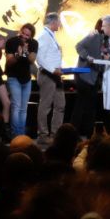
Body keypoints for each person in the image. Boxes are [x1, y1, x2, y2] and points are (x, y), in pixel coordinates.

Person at [72, 19, 106, 138]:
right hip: (84, 76)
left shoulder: (105, 40)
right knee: (81, 105)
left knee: (91, 107)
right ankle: (74, 134)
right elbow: (78, 46)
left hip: (94, 77)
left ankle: (89, 134)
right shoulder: (94, 35)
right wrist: (88, 57)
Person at [35, 14, 66, 143]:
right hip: (48, 75)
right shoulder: (43, 36)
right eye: (59, 21)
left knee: (60, 104)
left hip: (55, 76)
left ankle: (55, 134)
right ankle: (43, 135)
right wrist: (53, 70)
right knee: (46, 105)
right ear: (53, 22)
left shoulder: (51, 36)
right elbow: (40, 58)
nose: (60, 24)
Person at [5, 22, 39, 138]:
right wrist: (18, 55)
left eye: (27, 35)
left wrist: (25, 51)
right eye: (23, 33)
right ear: (20, 31)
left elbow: (31, 60)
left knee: (23, 108)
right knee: (16, 106)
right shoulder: (11, 42)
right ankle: (15, 134)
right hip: (14, 77)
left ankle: (21, 133)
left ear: (31, 37)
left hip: (27, 79)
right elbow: (9, 62)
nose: (24, 36)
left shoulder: (34, 43)